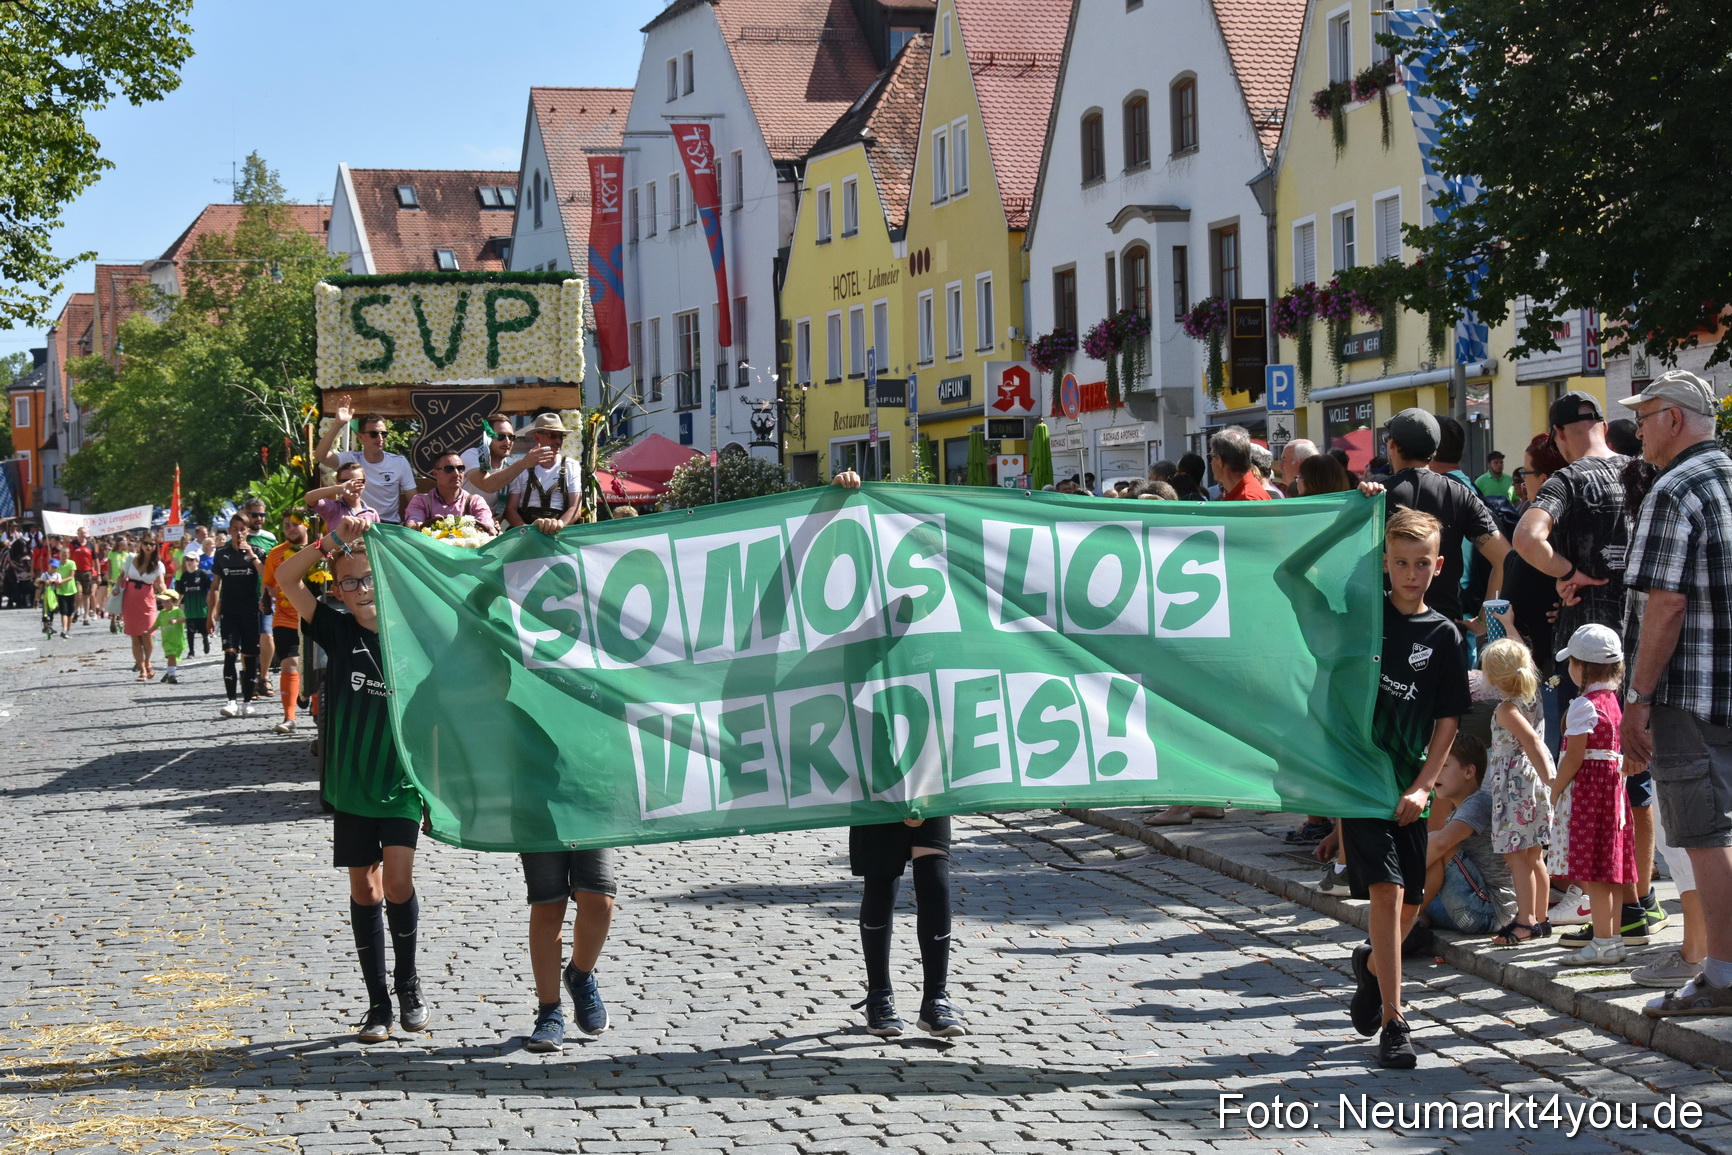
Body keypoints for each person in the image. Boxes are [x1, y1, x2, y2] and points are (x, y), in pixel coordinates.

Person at [275, 515, 429, 1043]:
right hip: (352, 783)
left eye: (369, 579)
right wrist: (332, 544)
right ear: (337, 589)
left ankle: (408, 984)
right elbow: (286, 579)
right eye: (350, 582)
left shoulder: (413, 634)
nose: (361, 590)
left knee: (399, 881)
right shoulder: (335, 629)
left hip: (403, 782)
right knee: (364, 888)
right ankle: (378, 1004)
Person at [1513, 391, 1661, 938]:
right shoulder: (1645, 471)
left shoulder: (1569, 481)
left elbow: (1527, 537)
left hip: (1588, 654)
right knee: (1638, 775)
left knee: (1594, 773)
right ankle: (1640, 901)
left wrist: (1567, 571)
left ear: (1557, 438)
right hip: (1648, 640)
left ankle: (1607, 908)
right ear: (1603, 425)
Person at [1611, 370, 1732, 1015]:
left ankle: (1723, 975)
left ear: (1675, 420)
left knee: (1704, 832)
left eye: (1646, 415)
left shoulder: (1674, 488)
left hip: (1691, 691)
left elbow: (1666, 605)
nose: (1637, 431)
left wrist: (1638, 695)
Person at [1346, 507, 1470, 1069]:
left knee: (1412, 905)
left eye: (1422, 564)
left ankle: (1372, 967)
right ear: (1385, 564)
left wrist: (1424, 788)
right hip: (1361, 779)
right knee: (1388, 893)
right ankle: (1396, 1022)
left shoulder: (1443, 635)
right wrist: (1362, 510)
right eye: (1400, 562)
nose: (1411, 573)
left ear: (1439, 566)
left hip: (1411, 786)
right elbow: (1292, 577)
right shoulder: (1364, 616)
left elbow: (1447, 721)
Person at [1363, 409, 1509, 640]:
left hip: (1385, 633)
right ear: (1434, 450)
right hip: (1444, 633)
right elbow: (1504, 558)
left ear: (1392, 445)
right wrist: (1485, 620)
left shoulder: (1375, 496)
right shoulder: (1459, 494)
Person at [1546, 624, 1637, 965]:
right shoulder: (1612, 702)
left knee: (1596, 872)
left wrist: (1554, 792)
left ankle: (1602, 940)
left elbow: (1574, 757)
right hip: (1611, 793)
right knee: (1608, 869)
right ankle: (1611, 938)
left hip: (1589, 795)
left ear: (1580, 667)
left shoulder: (1585, 705)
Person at [1476, 638, 1556, 945]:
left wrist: (1551, 777)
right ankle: (1541, 918)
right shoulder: (1532, 698)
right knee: (1534, 856)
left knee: (1516, 856)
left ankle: (1525, 921)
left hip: (1516, 787)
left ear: (1493, 678)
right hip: (1529, 783)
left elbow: (1531, 741)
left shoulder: (1506, 709)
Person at [1421, 735, 1520, 936]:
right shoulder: (1459, 809)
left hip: (1490, 912)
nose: (1434, 773)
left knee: (1439, 843)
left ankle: (1406, 917)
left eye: (1443, 765)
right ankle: (1415, 921)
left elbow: (1440, 845)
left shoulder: (1478, 803)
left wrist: (1400, 879)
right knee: (1434, 842)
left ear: (1469, 771)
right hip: (1470, 911)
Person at [314, 398, 417, 523]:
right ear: (361, 437)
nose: (380, 438)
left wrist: (413, 520)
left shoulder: (399, 462)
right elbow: (320, 456)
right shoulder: (350, 459)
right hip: (357, 524)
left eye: (383, 434)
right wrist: (338, 424)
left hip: (388, 525)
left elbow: (413, 501)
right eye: (374, 434)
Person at [261, 511, 316, 734]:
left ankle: (313, 707)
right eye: (286, 526)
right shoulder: (275, 554)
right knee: (289, 663)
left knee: (314, 667)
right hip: (284, 618)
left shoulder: (319, 549)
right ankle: (289, 718)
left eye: (295, 524)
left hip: (312, 617)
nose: (291, 529)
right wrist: (265, 597)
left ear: (307, 526)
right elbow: (268, 585)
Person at [209, 514, 265, 718]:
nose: (239, 532)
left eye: (242, 529)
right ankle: (231, 700)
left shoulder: (257, 551)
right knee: (230, 654)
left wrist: (252, 555)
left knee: (250, 657)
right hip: (229, 611)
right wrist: (211, 613)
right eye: (235, 528)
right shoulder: (221, 554)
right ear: (230, 531)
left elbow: (266, 575)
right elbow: (215, 586)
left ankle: (248, 701)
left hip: (251, 610)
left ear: (248, 531)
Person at [461, 414, 554, 523]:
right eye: (501, 437)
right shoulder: (471, 455)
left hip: (489, 528)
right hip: (463, 524)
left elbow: (508, 508)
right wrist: (523, 463)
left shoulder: (511, 466)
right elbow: (487, 485)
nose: (507, 442)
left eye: (511, 437)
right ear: (487, 437)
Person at [505, 414, 583, 529]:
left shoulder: (571, 466)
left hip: (560, 529)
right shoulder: (521, 465)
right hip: (525, 529)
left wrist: (559, 525)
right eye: (552, 435)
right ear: (537, 438)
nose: (558, 441)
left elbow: (575, 508)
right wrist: (526, 530)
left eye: (561, 437)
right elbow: (510, 508)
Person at [406, 452, 498, 535]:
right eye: (449, 469)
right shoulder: (421, 501)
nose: (456, 474)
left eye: (460, 468)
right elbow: (413, 523)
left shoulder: (475, 501)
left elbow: (486, 522)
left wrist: (489, 527)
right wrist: (415, 525)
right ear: (435, 474)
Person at [120, 538, 166, 679]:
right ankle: (142, 670)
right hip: (130, 602)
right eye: (146, 543)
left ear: (155, 547)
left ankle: (147, 662)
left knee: (147, 634)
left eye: (151, 544)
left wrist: (168, 597)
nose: (148, 546)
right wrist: (116, 589)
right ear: (141, 544)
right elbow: (121, 576)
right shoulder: (131, 559)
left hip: (147, 602)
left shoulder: (158, 565)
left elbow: (161, 584)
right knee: (135, 637)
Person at [306, 461, 382, 533]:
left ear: (364, 483)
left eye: (358, 482)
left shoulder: (372, 513)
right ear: (339, 483)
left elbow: (377, 540)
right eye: (347, 482)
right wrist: (338, 489)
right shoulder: (333, 508)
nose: (353, 486)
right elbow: (309, 498)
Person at [176, 554, 213, 655]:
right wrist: (179, 603)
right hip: (190, 608)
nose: (189, 561)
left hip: (201, 608)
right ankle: (191, 651)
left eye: (191, 559)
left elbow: (211, 587)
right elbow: (181, 592)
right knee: (190, 631)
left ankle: (206, 640)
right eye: (187, 559)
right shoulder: (184, 576)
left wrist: (209, 597)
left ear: (197, 561)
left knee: (204, 630)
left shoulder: (202, 574)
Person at [39, 541, 75, 639]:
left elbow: (71, 576)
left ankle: (67, 630)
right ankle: (62, 630)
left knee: (69, 612)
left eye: (66, 554)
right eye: (62, 554)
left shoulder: (72, 563)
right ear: (60, 555)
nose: (64, 556)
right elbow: (42, 581)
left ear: (68, 555)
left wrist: (58, 581)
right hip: (58, 592)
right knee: (62, 611)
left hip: (71, 590)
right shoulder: (56, 564)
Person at [158, 588, 187, 684]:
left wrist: (176, 620)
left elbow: (184, 619)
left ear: (175, 602)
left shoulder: (178, 611)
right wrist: (148, 632)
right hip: (167, 640)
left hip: (178, 640)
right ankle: (172, 676)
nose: (164, 604)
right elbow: (156, 624)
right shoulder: (162, 613)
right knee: (172, 657)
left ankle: (169, 672)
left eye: (167, 601)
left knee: (173, 659)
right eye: (163, 602)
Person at [69, 528, 95, 624]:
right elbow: (68, 557)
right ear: (78, 533)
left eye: (84, 533)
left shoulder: (90, 544)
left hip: (87, 572)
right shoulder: (73, 544)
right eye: (81, 533)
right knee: (78, 592)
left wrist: (98, 573)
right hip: (76, 572)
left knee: (86, 595)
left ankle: (86, 616)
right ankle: (77, 610)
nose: (83, 535)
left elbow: (95, 559)